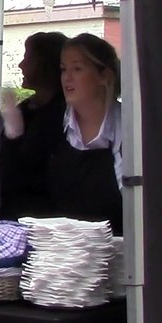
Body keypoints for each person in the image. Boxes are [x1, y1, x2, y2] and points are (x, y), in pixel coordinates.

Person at [48, 33, 124, 235]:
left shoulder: (129, 128)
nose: (67, 77)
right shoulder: (52, 125)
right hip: (60, 251)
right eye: (64, 69)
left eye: (77, 69)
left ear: (104, 76)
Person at [0, 31, 68, 220]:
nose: (21, 65)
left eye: (28, 58)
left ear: (46, 64)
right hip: (10, 213)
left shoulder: (63, 115)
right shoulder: (24, 110)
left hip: (43, 220)